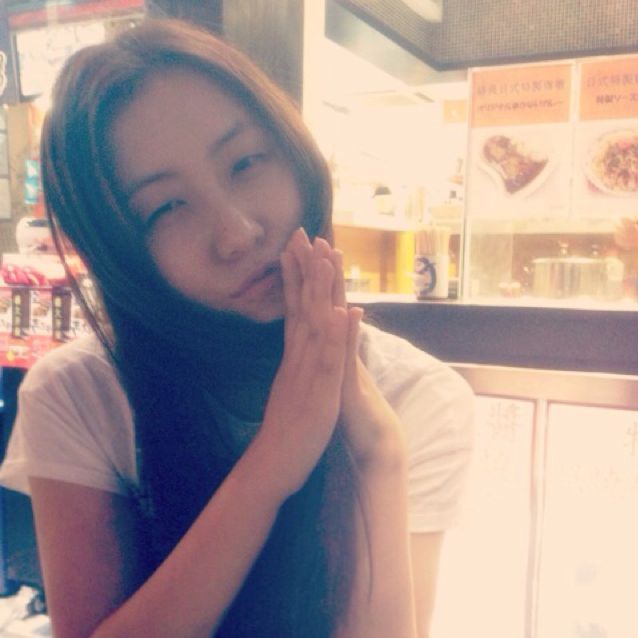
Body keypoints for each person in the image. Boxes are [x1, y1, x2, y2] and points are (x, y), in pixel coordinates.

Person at [0, 19, 474, 638]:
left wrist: (379, 454)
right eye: (167, 207)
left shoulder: (415, 395)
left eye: (247, 162)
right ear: (120, 250)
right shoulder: (81, 393)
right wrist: (274, 460)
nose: (237, 233)